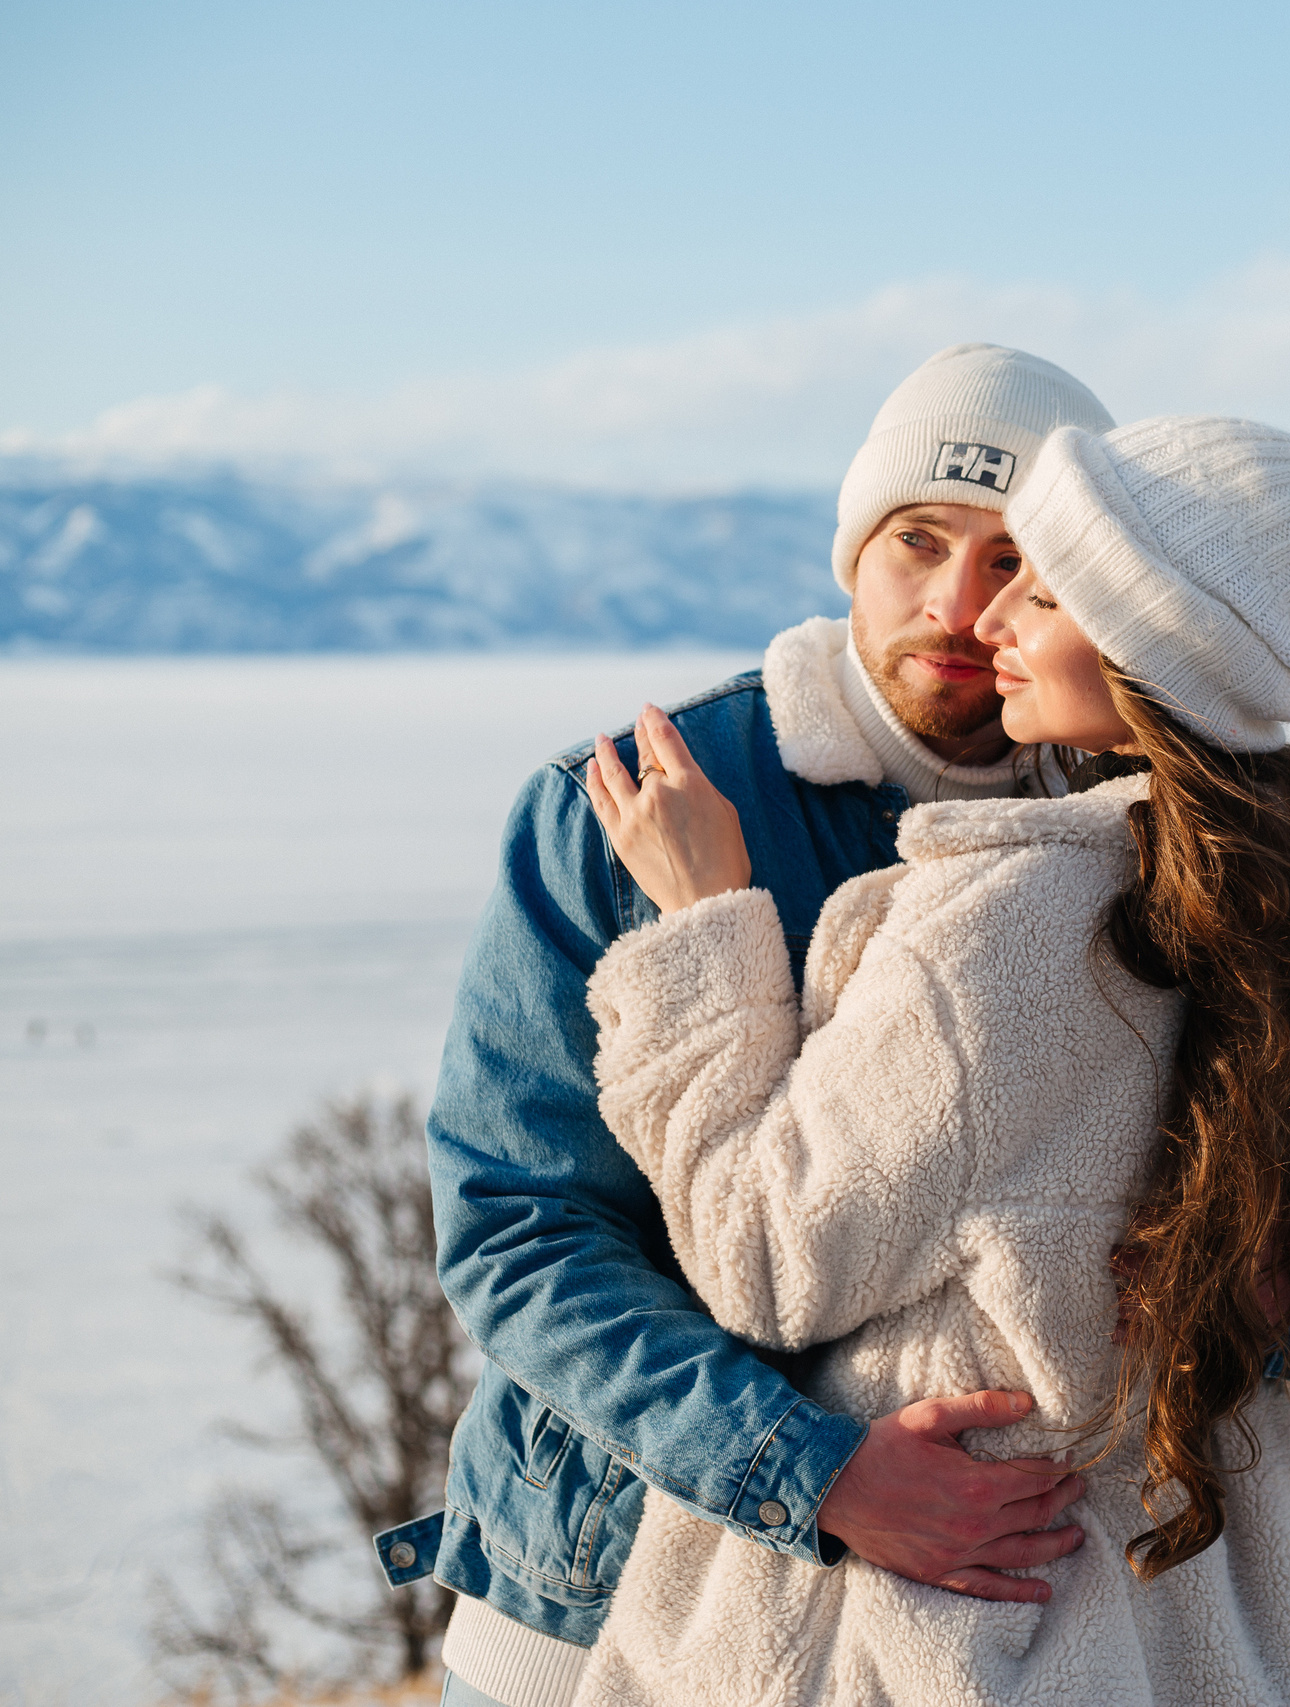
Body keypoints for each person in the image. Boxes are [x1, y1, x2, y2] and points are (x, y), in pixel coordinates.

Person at [565, 415, 1290, 1705]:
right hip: (1188, 1608)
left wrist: (702, 932)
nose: (990, 626)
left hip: (968, 1617)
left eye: (1039, 588)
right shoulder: (1288, 892)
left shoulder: (1013, 927)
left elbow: (764, 1258)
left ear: (1150, 644)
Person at [384, 345, 1126, 1707]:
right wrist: (815, 1471)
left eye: (1017, 559)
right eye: (918, 541)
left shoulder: (1129, 832)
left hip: (989, 1611)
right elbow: (520, 1221)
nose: (960, 605)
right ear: (852, 550)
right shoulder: (624, 805)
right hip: (602, 1599)